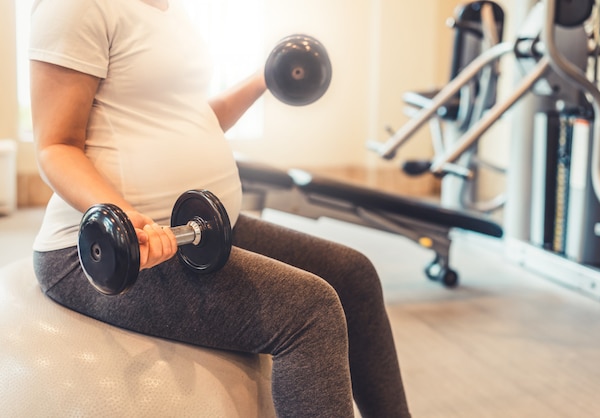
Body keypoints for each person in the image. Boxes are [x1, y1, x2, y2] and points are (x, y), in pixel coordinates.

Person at [29, 0, 411, 416]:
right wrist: (127, 218)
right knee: (309, 311)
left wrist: (264, 79)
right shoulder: (76, 6)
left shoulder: (168, 10)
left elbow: (192, 120)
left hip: (194, 231)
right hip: (106, 252)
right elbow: (56, 146)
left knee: (353, 274)